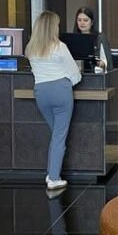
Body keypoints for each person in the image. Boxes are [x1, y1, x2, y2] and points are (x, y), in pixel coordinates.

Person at [25, 10, 81, 193]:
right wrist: (69, 82)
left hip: (41, 93)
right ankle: (54, 179)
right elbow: (75, 74)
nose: (58, 27)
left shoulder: (31, 49)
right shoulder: (60, 47)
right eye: (57, 25)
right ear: (51, 27)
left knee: (56, 134)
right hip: (60, 92)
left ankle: (51, 173)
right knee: (59, 136)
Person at [74, 5, 109, 70]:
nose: (82, 23)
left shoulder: (100, 38)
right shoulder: (73, 38)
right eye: (79, 20)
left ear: (92, 22)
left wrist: (99, 63)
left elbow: (107, 62)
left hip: (96, 73)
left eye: (85, 20)